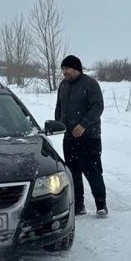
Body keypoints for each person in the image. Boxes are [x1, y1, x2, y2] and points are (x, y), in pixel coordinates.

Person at [55, 54, 106, 216]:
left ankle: (101, 205)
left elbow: (98, 106)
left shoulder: (90, 84)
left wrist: (84, 124)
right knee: (73, 172)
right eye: (63, 69)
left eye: (67, 68)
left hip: (89, 137)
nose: (64, 72)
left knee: (93, 171)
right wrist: (58, 123)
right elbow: (59, 106)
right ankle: (79, 206)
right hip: (69, 138)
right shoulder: (63, 85)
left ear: (76, 68)